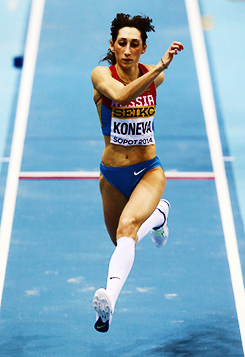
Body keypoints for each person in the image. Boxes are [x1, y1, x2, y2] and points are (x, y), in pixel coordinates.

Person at [91, 13, 184, 333]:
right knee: (120, 242)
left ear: (143, 48)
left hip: (149, 169)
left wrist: (157, 70)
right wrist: (160, 66)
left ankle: (109, 304)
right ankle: (159, 216)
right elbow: (119, 95)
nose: (128, 50)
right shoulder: (101, 74)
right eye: (122, 44)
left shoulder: (153, 78)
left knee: (128, 228)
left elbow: (148, 83)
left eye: (135, 44)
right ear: (113, 47)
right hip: (112, 175)